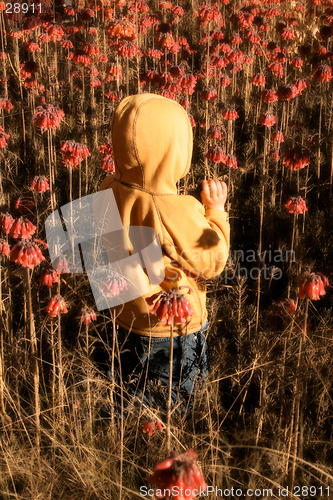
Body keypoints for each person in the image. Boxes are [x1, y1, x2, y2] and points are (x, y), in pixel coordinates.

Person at [94, 93, 230, 416]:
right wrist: (216, 212)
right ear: (177, 151)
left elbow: (98, 245)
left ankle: (127, 438)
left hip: (120, 320)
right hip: (173, 329)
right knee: (174, 402)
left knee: (127, 393)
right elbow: (213, 260)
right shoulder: (179, 209)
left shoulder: (105, 189)